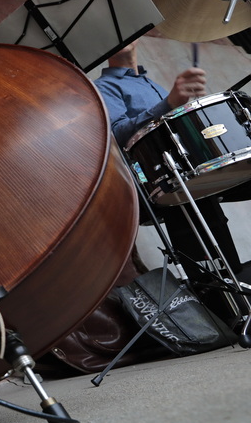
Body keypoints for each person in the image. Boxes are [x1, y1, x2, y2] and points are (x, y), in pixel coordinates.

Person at [93, 40, 245, 281]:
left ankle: (229, 282)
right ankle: (217, 291)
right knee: (192, 208)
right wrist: (169, 102)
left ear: (137, 37)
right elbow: (115, 135)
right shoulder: (102, 86)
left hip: (189, 174)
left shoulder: (149, 83)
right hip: (158, 184)